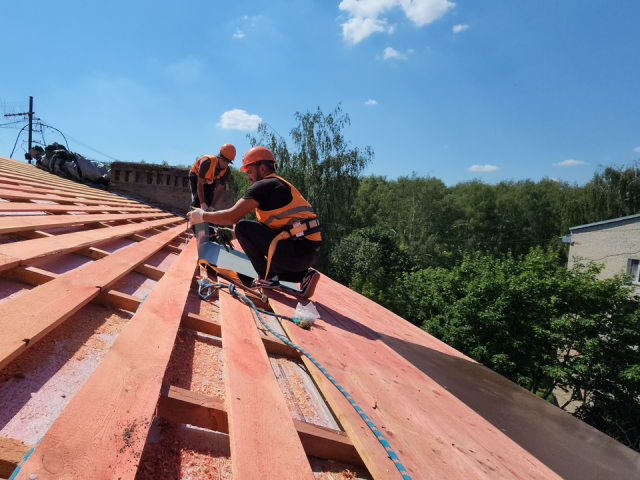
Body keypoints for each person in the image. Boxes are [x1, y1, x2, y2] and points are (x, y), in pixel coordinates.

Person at [188, 146, 321, 298]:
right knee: (250, 272)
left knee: (243, 227)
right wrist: (233, 235)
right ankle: (303, 276)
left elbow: (232, 216)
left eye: (249, 172)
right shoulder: (279, 185)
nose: (248, 178)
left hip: (296, 251)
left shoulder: (264, 185)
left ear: (262, 168)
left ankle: (267, 279)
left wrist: (202, 215)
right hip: (307, 253)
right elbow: (273, 230)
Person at [189, 143, 236, 212]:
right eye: (224, 160)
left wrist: (212, 207)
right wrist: (202, 204)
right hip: (196, 176)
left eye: (228, 162)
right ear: (219, 157)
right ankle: (193, 219)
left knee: (209, 202)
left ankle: (208, 220)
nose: (225, 164)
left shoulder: (227, 172)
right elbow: (200, 184)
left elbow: (219, 190)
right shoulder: (206, 163)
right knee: (197, 201)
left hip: (209, 179)